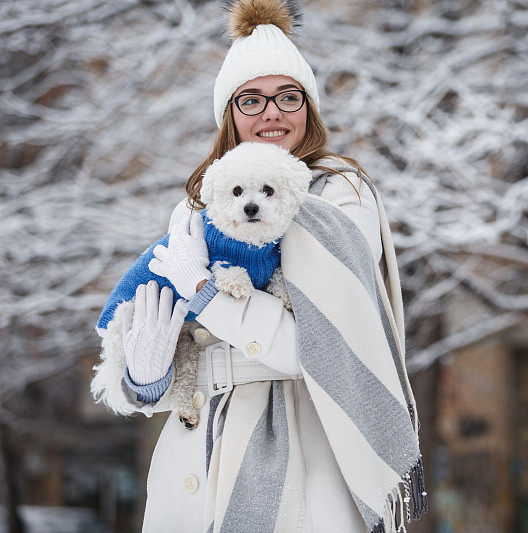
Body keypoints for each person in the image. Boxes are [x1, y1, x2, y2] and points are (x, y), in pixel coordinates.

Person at [90, 1, 427, 531]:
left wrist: (205, 292)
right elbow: (173, 357)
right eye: (252, 99)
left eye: (288, 97)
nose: (272, 112)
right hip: (191, 457)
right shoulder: (199, 207)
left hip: (299, 452)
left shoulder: (337, 198)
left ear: (308, 109)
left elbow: (318, 347)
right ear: (229, 115)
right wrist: (145, 379)